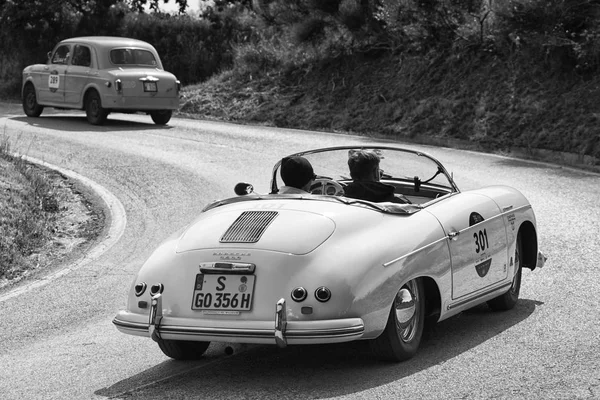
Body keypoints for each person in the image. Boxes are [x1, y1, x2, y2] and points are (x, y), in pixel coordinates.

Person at [344, 149, 410, 203]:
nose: (380, 173)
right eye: (379, 171)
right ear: (375, 174)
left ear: (351, 175)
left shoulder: (343, 197)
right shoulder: (397, 201)